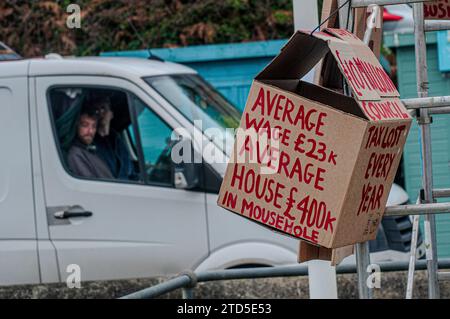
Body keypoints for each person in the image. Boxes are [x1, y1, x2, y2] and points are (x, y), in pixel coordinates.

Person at [91, 97, 137, 181]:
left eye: (103, 108)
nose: (100, 113)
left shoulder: (117, 140)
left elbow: (130, 172)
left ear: (111, 114)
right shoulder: (91, 143)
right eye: (96, 110)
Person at [67, 108, 114, 179]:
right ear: (76, 126)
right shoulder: (75, 154)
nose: (90, 131)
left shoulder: (91, 150)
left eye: (94, 126)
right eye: (85, 125)